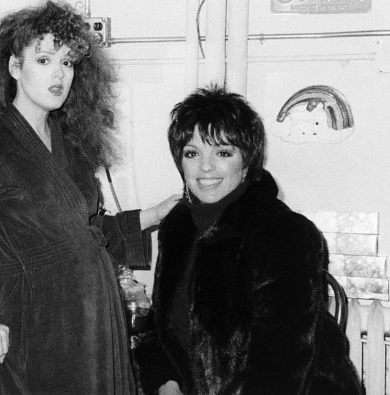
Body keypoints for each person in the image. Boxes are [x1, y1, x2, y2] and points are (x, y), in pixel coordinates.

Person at [0, 2, 179, 394]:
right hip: (42, 321)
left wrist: (154, 214)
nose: (59, 73)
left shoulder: (68, 143)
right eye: (43, 59)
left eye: (68, 62)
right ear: (14, 68)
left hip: (97, 312)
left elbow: (83, 231)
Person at [134, 85, 363, 395]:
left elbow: (280, 367)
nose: (206, 166)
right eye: (192, 152)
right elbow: (161, 332)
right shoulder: (177, 227)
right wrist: (166, 381)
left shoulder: (286, 234)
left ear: (246, 163)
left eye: (223, 152)